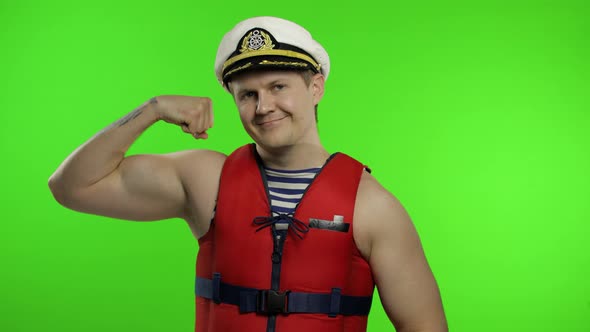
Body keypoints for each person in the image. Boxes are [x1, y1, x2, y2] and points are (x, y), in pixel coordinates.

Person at [48, 16, 448, 332]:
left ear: (316, 88)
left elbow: (424, 326)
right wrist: (151, 109)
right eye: (247, 94)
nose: (263, 107)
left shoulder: (373, 206)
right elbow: (72, 187)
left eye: (278, 87)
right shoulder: (205, 180)